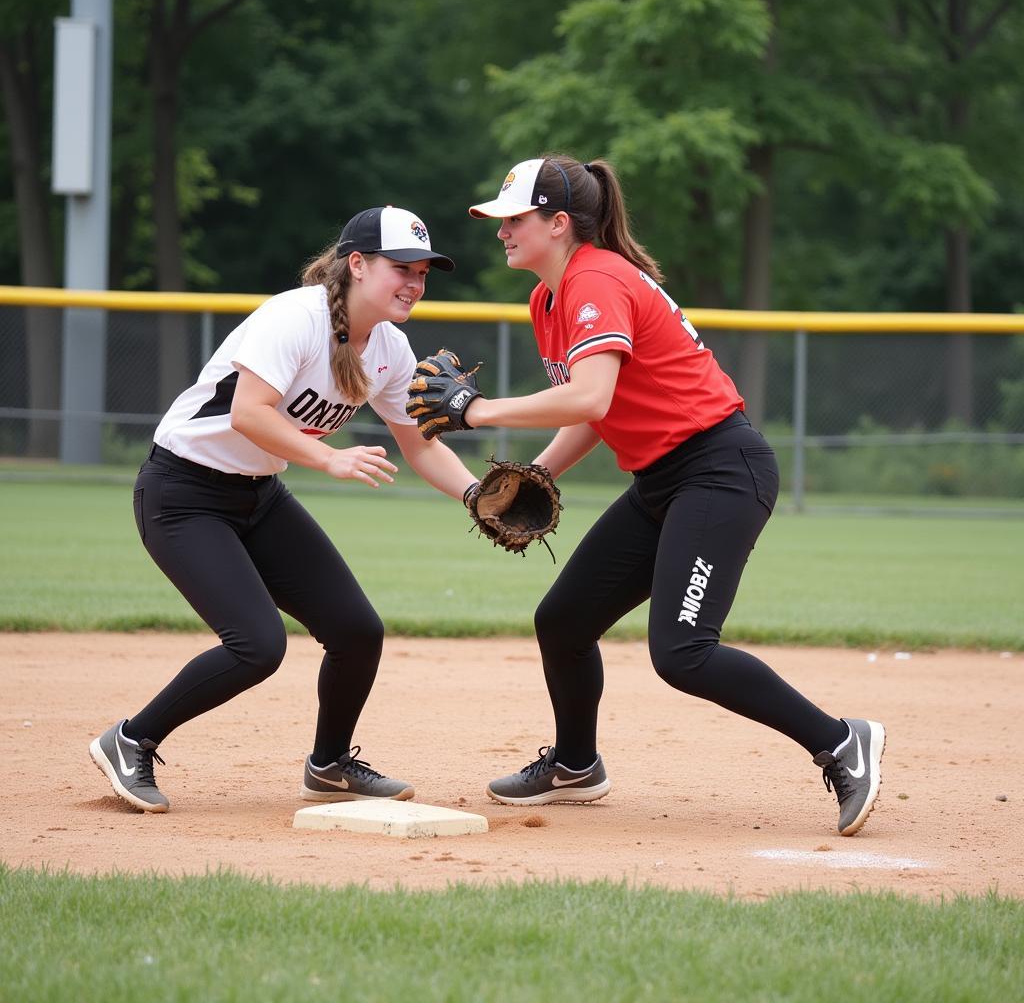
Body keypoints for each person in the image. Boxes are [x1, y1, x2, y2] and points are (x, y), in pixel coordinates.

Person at [460, 156, 885, 835]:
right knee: (563, 621)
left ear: (559, 223)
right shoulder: (551, 298)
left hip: (720, 471)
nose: (501, 231)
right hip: (665, 480)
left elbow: (590, 393)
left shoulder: (596, 278)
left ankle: (840, 741)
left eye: (514, 219)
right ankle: (575, 765)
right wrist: (527, 479)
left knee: (683, 650)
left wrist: (479, 412)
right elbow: (599, 412)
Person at [90, 206, 480, 813]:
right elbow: (250, 412)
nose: (415, 282)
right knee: (256, 645)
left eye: (424, 271)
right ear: (357, 264)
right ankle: (130, 739)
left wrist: (476, 496)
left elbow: (420, 444)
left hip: (259, 496)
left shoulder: (390, 349)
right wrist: (330, 461)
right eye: (401, 267)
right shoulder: (293, 317)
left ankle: (329, 766)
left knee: (357, 631)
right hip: (184, 493)